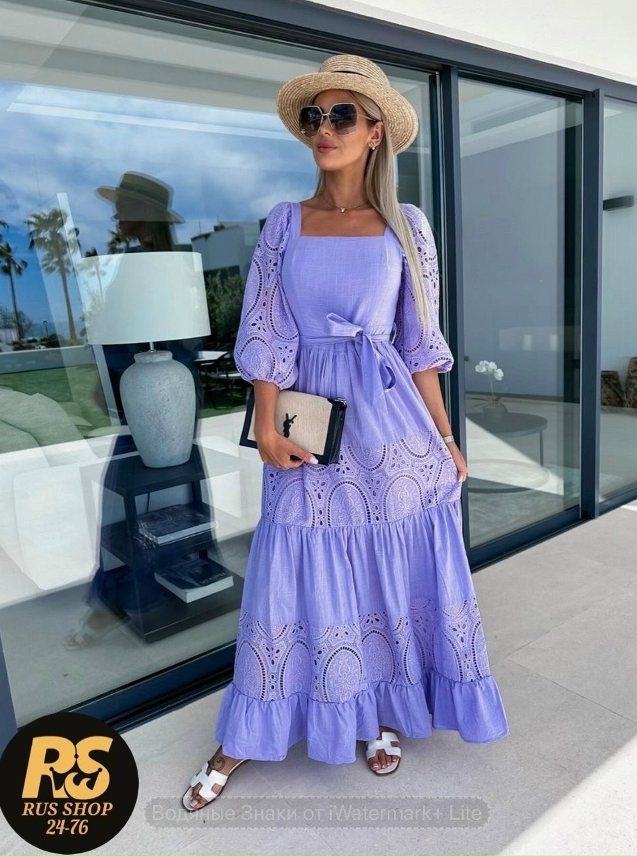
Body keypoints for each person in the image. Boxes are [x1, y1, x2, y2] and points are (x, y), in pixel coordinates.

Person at [182, 54, 509, 810]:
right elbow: (265, 329)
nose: (324, 128)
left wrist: (446, 439)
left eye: (341, 116)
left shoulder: (407, 227)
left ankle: (380, 711)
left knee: (388, 574)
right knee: (290, 570)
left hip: (392, 427)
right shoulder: (284, 222)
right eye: (314, 116)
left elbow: (419, 345)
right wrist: (267, 423)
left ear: (374, 132)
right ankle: (244, 736)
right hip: (310, 421)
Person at [64, 172, 205, 648]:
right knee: (152, 490)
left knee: (142, 490)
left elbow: (180, 338)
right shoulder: (154, 261)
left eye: (122, 206)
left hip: (157, 390)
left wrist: (113, 378)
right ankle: (133, 592)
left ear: (142, 212)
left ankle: (137, 593)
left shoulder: (154, 264)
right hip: (155, 387)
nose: (115, 215)